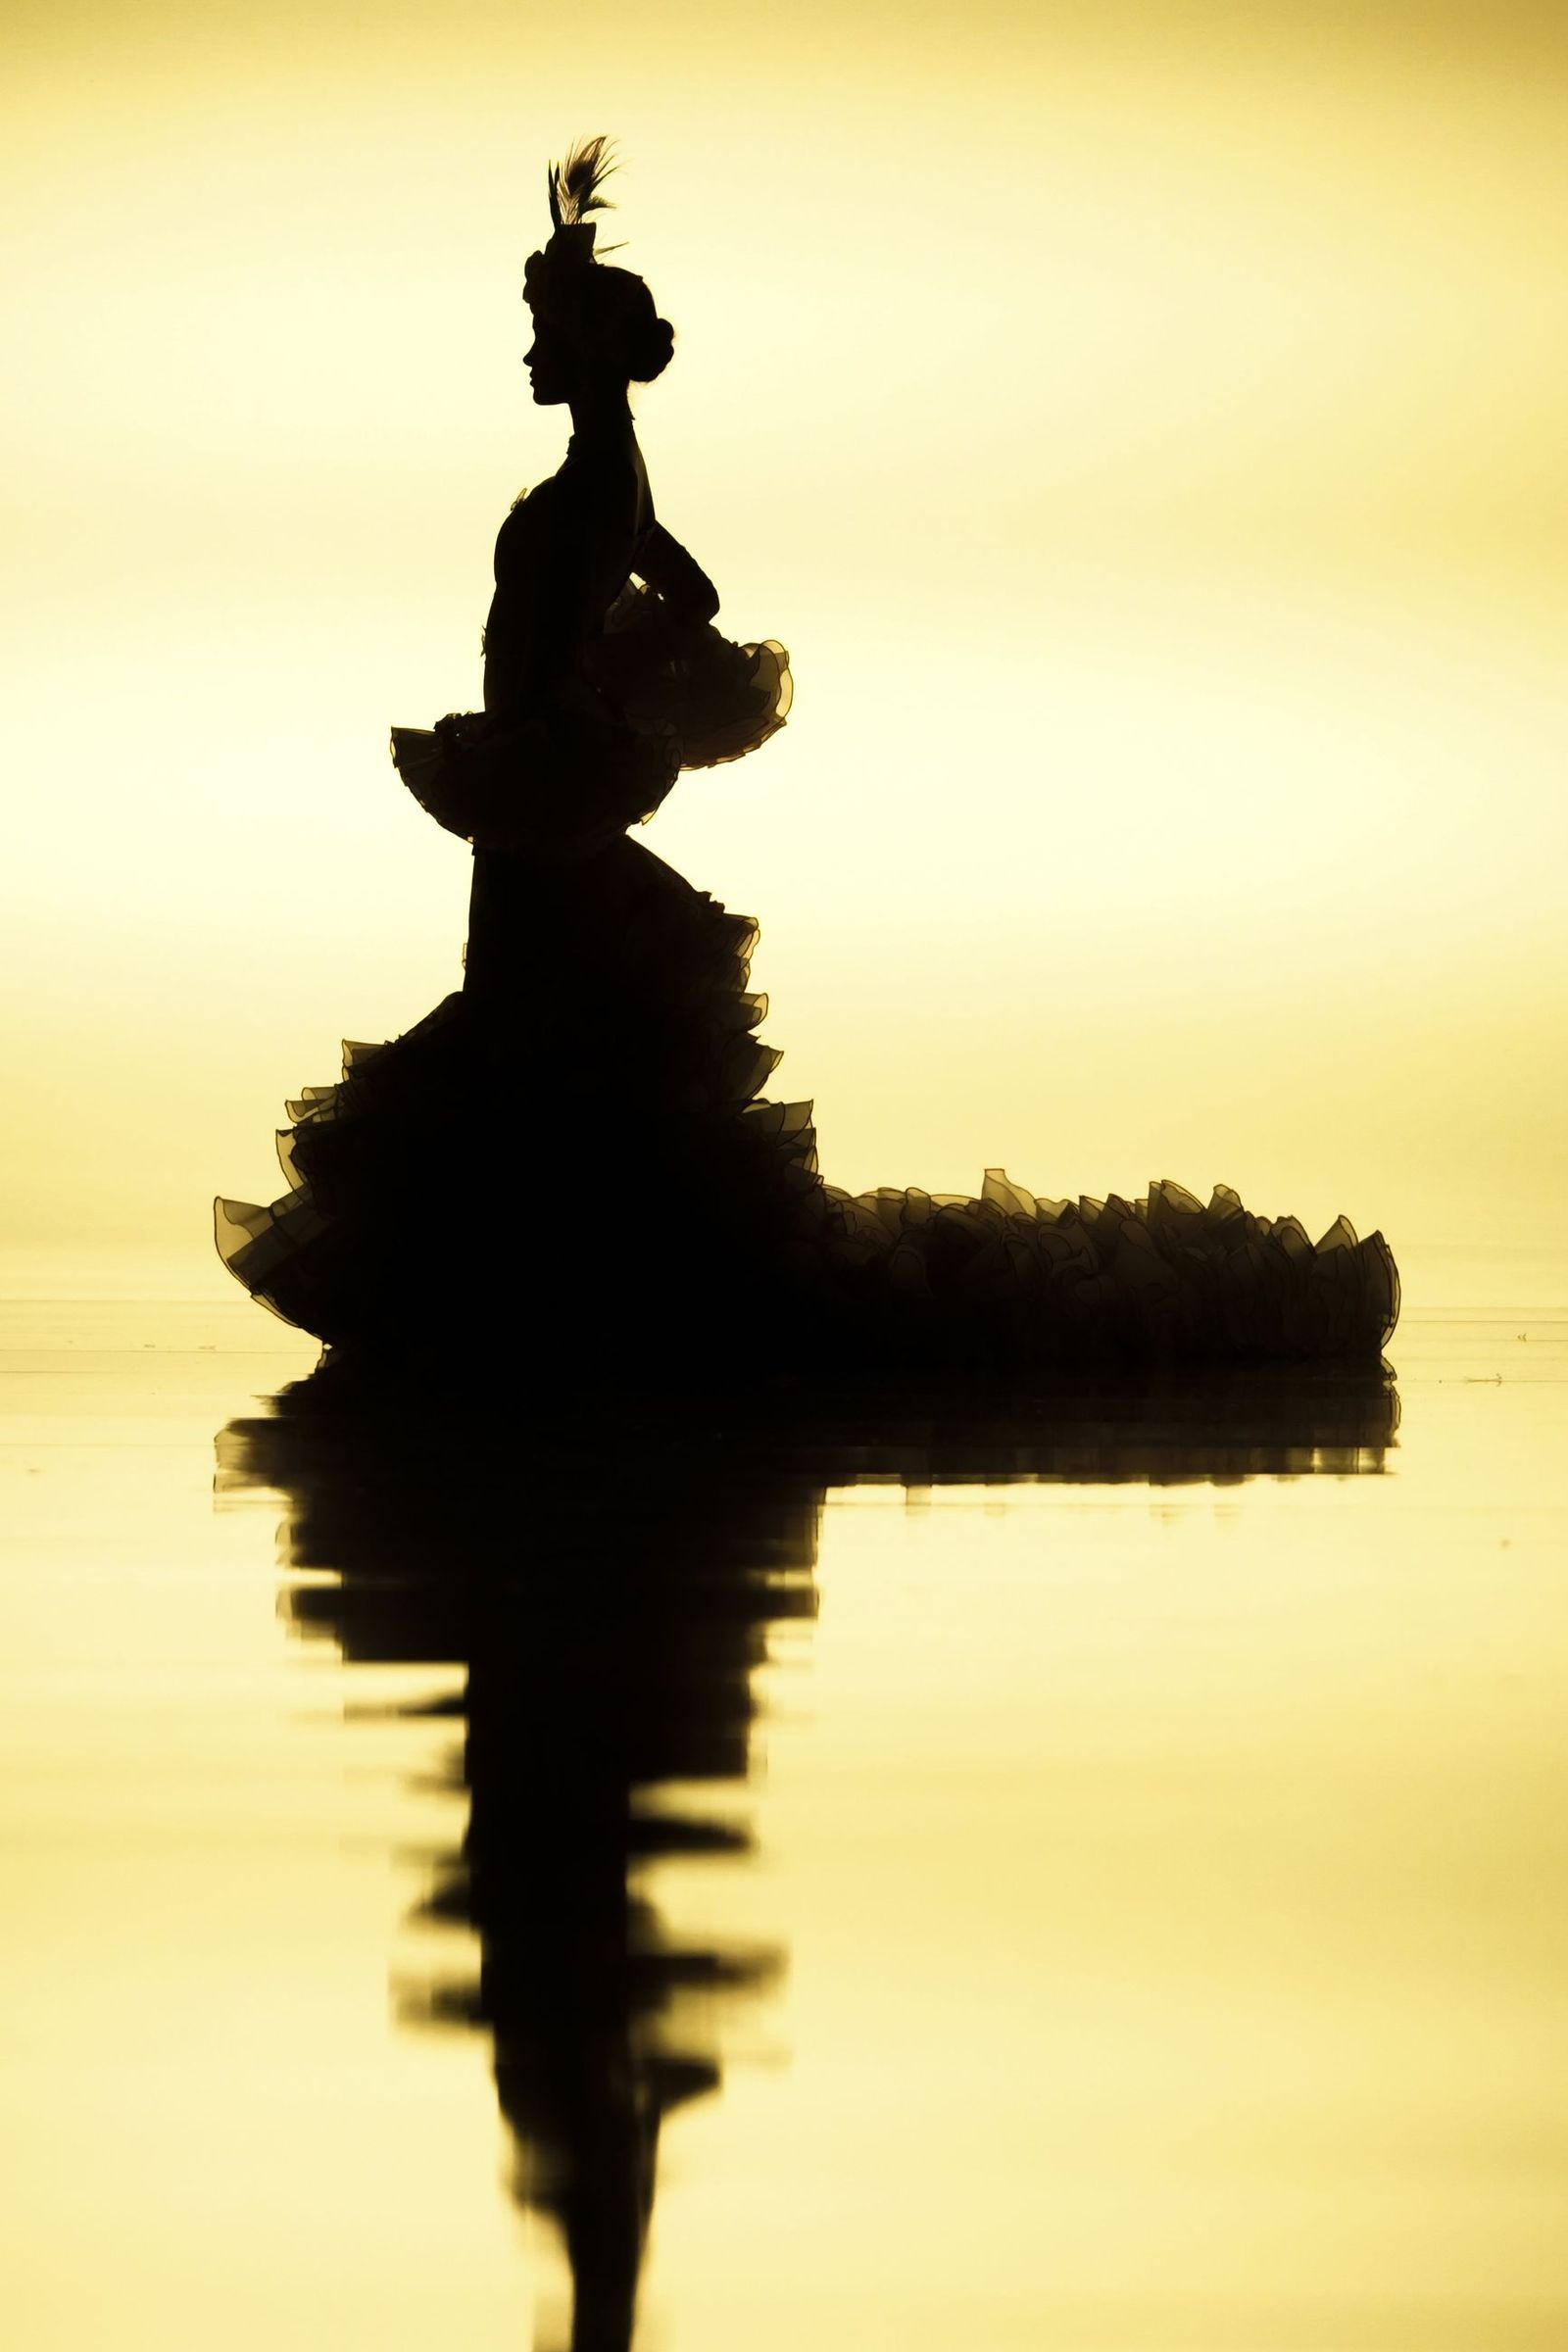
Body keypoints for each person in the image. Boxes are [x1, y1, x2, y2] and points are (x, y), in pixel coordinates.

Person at [216, 138, 1398, 1384]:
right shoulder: (612, 471)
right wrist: (634, 669)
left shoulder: (594, 479)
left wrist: (581, 713)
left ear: (579, 351)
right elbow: (697, 588)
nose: (524, 358)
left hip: (542, 798)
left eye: (536, 337)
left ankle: (562, 1308)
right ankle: (570, 1298)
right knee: (547, 1048)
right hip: (538, 790)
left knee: (525, 1038)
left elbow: (614, 618)